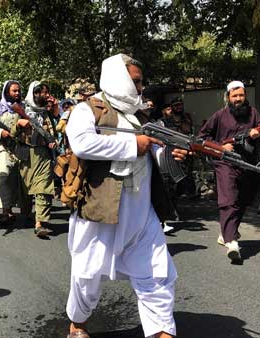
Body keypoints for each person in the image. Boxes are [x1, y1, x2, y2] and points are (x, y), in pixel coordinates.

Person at [64, 53, 186, 338]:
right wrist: (133, 145)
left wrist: (169, 152)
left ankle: (162, 332)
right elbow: (82, 144)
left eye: (141, 82)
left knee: (157, 274)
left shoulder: (142, 114)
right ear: (118, 78)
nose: (140, 88)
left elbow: (154, 148)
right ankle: (77, 324)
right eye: (135, 81)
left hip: (141, 211)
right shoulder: (88, 110)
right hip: (101, 210)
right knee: (86, 275)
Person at [198, 81, 260, 262]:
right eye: (234, 96)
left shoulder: (254, 114)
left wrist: (257, 135)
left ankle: (226, 233)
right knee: (229, 199)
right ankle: (232, 241)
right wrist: (221, 147)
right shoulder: (219, 116)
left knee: (243, 200)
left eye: (241, 95)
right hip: (225, 163)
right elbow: (202, 138)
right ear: (228, 97)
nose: (238, 99)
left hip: (248, 165)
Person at [17, 81, 56, 238]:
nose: (46, 95)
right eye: (42, 93)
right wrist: (18, 124)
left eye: (47, 92)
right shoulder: (21, 110)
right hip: (26, 154)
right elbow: (11, 132)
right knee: (25, 189)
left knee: (43, 189)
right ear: (34, 94)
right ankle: (26, 214)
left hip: (44, 155)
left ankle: (40, 223)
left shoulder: (46, 113)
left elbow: (56, 129)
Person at [0, 80, 31, 226]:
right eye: (14, 91)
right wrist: (1, 133)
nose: (17, 93)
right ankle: (5, 211)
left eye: (19, 90)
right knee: (3, 177)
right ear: (7, 92)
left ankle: (24, 211)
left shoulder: (24, 107)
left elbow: (32, 123)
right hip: (3, 147)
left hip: (21, 148)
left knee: (21, 180)